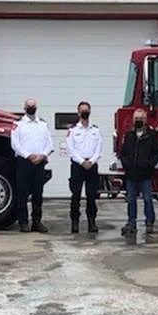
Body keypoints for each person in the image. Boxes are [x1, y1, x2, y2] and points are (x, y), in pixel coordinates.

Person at [10, 98, 52, 233]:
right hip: (24, 162)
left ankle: (37, 222)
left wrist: (42, 155)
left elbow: (49, 144)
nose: (31, 108)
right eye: (29, 106)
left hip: (39, 163)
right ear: (24, 108)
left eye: (33, 106)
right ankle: (23, 222)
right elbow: (15, 144)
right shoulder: (18, 125)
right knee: (22, 194)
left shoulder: (43, 125)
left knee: (38, 194)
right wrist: (28, 155)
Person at [119, 108, 158, 235]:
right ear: (133, 120)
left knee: (147, 199)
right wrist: (126, 164)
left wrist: (149, 165)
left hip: (145, 174)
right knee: (131, 199)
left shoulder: (152, 135)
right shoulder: (129, 135)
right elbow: (123, 153)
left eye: (140, 118)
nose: (138, 120)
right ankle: (131, 222)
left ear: (145, 119)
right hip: (131, 174)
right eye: (136, 118)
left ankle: (149, 221)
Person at [66, 100, 103, 233]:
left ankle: (92, 222)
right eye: (82, 110)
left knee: (91, 196)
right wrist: (82, 162)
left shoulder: (96, 130)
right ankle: (75, 223)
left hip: (92, 166)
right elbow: (71, 150)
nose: (84, 112)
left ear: (90, 112)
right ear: (78, 113)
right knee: (75, 195)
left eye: (86, 110)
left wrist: (91, 161)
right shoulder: (73, 131)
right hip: (77, 166)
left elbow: (98, 149)